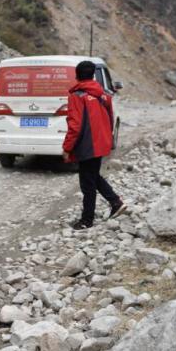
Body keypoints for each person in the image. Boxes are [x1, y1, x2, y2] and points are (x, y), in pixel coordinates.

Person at [62, 60, 125, 230]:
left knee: (87, 182)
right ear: (92, 76)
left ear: (77, 76)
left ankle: (87, 220)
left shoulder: (77, 96)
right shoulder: (103, 94)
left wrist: (67, 148)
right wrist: (108, 139)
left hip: (87, 144)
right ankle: (115, 202)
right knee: (93, 175)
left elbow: (74, 126)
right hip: (101, 141)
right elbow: (110, 118)